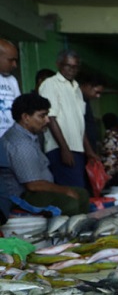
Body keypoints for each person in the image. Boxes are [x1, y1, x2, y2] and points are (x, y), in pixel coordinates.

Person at [0, 93, 89, 216]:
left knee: (81, 194)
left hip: (35, 192)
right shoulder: (20, 144)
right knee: (70, 203)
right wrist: (65, 191)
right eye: (42, 116)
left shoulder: (27, 136)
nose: (47, 120)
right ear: (26, 117)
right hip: (21, 198)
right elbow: (33, 185)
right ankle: (62, 232)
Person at [39, 49, 99, 189]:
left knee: (79, 192)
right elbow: (51, 117)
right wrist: (64, 149)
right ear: (59, 64)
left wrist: (89, 151)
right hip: (60, 150)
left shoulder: (77, 88)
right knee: (73, 193)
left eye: (75, 66)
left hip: (77, 149)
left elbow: (80, 123)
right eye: (68, 65)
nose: (72, 69)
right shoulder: (50, 84)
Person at [78, 72, 105, 154]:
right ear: (88, 86)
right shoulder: (77, 100)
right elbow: (80, 127)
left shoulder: (86, 100)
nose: (98, 96)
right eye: (97, 92)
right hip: (82, 150)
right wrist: (89, 151)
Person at [0, 39, 21, 138]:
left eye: (15, 61)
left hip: (10, 141)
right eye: (10, 60)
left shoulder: (12, 80)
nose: (14, 65)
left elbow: (19, 109)